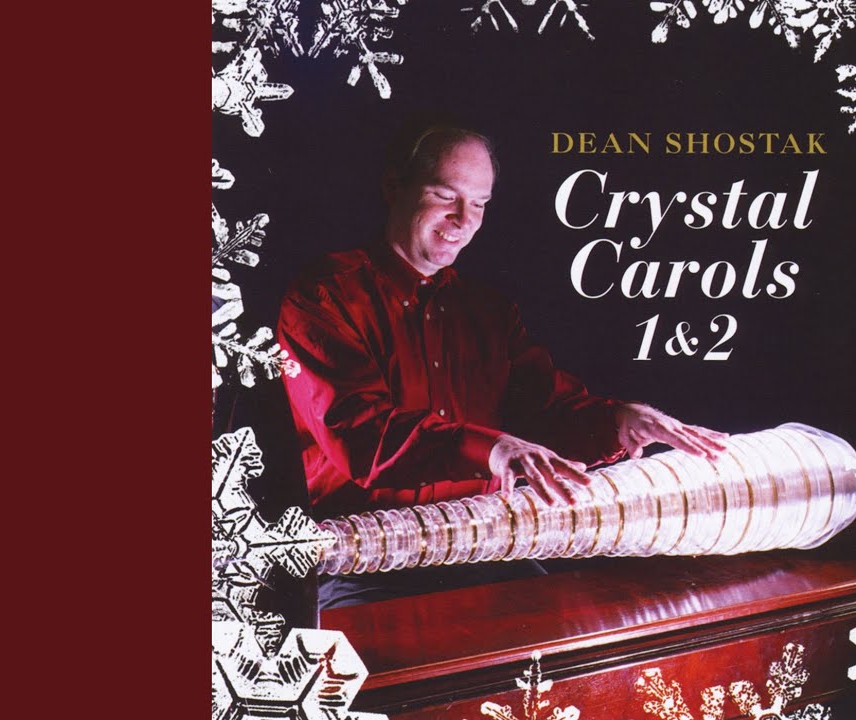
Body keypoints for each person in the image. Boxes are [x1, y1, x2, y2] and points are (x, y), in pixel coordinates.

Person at [278, 124, 727, 608]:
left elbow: (546, 411)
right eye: (444, 196)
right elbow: (361, 434)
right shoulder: (324, 297)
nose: (463, 219)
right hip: (361, 557)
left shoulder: (487, 311)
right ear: (394, 188)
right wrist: (492, 449)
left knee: (585, 628)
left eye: (479, 203)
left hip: (481, 547)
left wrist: (620, 421)